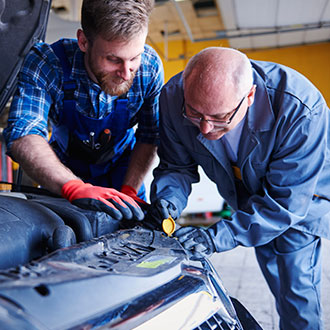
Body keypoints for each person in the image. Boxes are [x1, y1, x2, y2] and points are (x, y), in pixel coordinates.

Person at [147, 47, 330, 329]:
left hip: (301, 199)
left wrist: (215, 237)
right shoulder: (173, 98)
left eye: (219, 117)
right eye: (194, 113)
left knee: (296, 288)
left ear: (249, 97)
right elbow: (175, 167)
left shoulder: (300, 110)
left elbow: (284, 205)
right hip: (246, 199)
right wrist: (166, 203)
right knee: (275, 276)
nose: (205, 129)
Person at [4, 0, 164, 222]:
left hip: (125, 172)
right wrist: (72, 188)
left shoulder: (149, 67)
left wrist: (129, 190)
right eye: (113, 59)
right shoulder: (48, 64)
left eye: (134, 58)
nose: (126, 73)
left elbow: (149, 136)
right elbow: (23, 133)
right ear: (83, 41)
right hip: (62, 171)